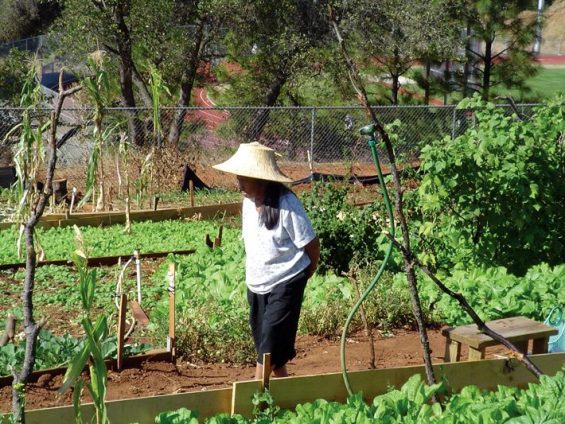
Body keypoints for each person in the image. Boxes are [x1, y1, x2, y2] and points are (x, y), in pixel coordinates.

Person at [213, 142, 320, 379]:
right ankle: (286, 394)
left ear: (260, 178)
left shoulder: (286, 203)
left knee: (268, 346)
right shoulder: (248, 202)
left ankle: (257, 399)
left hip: (287, 279)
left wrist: (302, 277)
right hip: (257, 283)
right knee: (268, 346)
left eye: (244, 177)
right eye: (238, 176)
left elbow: (311, 244)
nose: (238, 181)